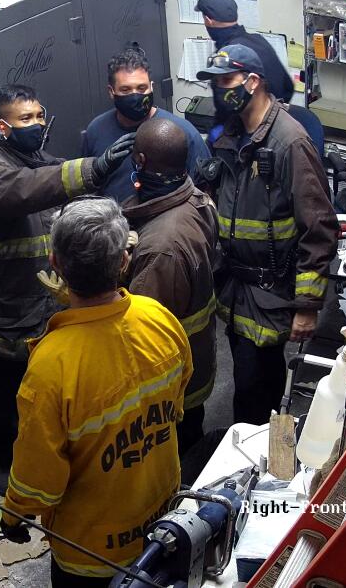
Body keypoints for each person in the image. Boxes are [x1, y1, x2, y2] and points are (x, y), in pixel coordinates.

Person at [0, 197, 192, 586]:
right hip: (161, 521)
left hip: (91, 554)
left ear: (55, 264)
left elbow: (39, 473)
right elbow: (181, 391)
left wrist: (15, 514)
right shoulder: (159, 318)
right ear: (124, 261)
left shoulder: (52, 364)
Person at [0, 84, 134, 495]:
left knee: (58, 386)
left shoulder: (39, 159)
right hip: (15, 306)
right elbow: (28, 188)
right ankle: (8, 459)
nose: (37, 125)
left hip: (53, 300)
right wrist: (91, 169)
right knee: (14, 389)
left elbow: (55, 177)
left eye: (40, 116)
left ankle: (59, 454)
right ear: (2, 127)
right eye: (26, 119)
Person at [196, 45, 338, 425]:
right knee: (246, 379)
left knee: (259, 388)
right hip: (236, 287)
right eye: (214, 82)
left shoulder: (289, 142)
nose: (217, 90)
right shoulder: (230, 134)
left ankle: (258, 456)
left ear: (253, 82)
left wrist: (307, 305)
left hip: (271, 293)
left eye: (226, 81)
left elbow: (320, 227)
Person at [122, 117, 219, 458]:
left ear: (141, 162)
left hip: (170, 385)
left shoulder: (161, 248)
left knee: (173, 457)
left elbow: (139, 333)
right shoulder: (196, 200)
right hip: (194, 360)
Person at [81, 47, 210, 201]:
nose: (135, 96)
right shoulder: (96, 130)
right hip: (114, 221)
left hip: (166, 221)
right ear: (111, 91)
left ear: (151, 87)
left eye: (142, 88)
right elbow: (86, 185)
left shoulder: (181, 131)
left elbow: (205, 191)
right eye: (126, 90)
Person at [195, 0, 295, 104]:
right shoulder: (258, 40)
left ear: (208, 20)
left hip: (251, 119)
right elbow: (288, 87)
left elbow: (225, 103)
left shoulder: (227, 54)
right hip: (278, 113)